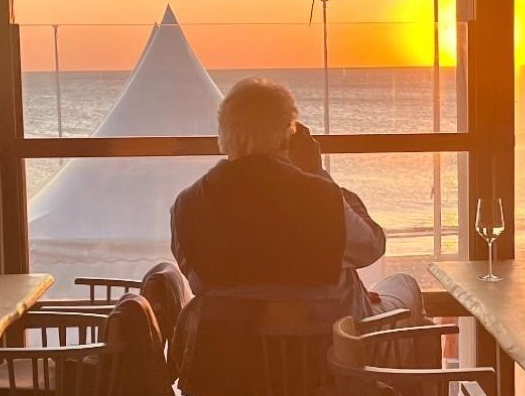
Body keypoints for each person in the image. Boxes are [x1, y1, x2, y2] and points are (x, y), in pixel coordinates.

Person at [170, 77, 421, 323]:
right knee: (405, 286)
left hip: (233, 342)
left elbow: (195, 276)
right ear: (286, 136)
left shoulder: (188, 204)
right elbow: (371, 247)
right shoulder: (320, 198)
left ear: (224, 133)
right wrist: (318, 174)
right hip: (328, 341)